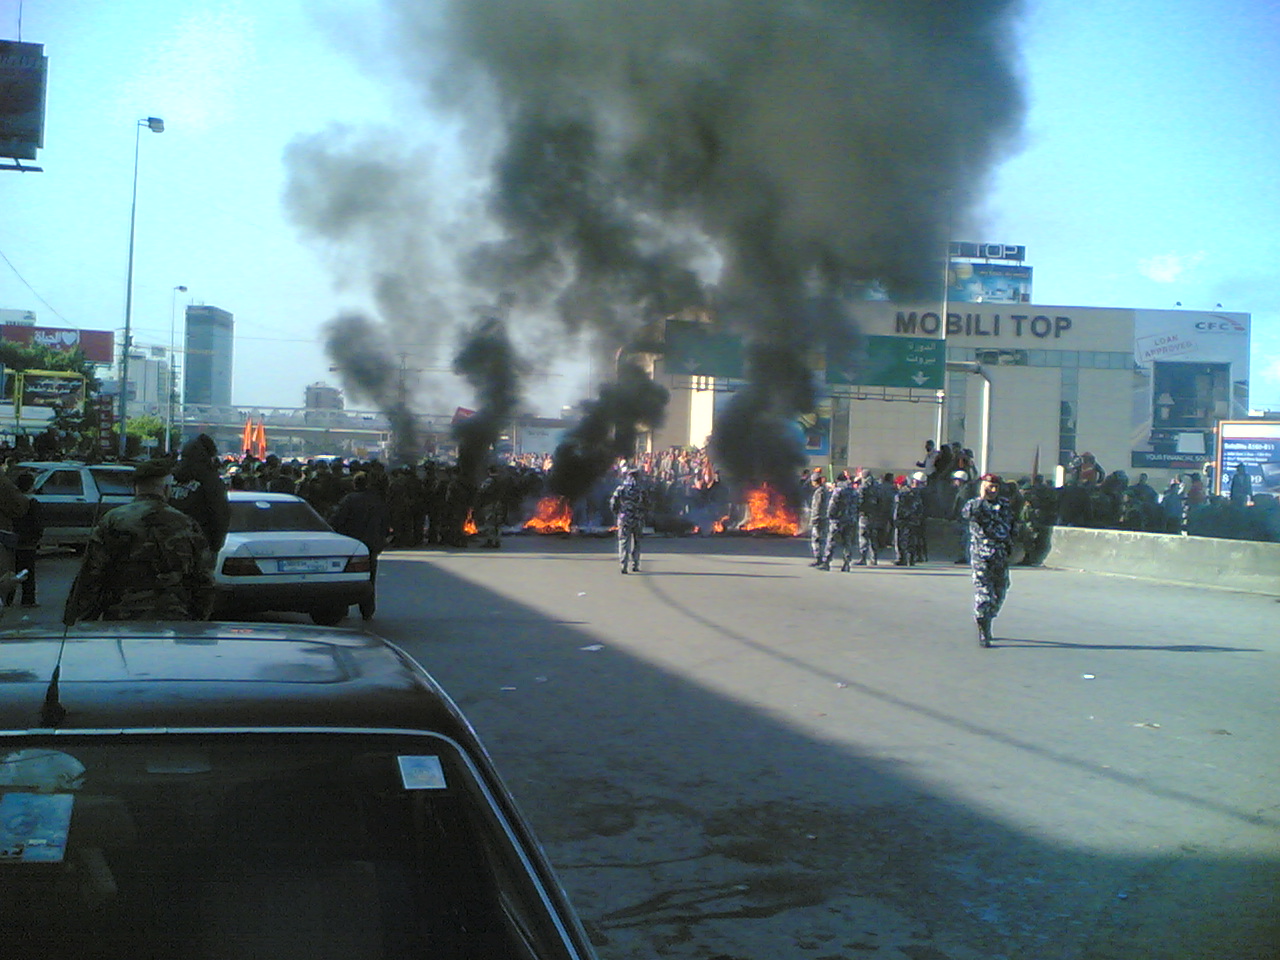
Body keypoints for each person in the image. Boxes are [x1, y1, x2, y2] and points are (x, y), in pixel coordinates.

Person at [63, 459, 215, 624]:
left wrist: (78, 623)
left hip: (122, 621)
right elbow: (204, 579)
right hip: (173, 620)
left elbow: (91, 576)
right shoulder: (186, 524)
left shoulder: (113, 521)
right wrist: (197, 620)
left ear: (135, 487)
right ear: (166, 489)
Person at [961, 473, 1017, 648]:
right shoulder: (975, 505)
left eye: (995, 487)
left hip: (1000, 555)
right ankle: (983, 626)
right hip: (981, 556)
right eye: (989, 486)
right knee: (985, 592)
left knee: (1001, 591)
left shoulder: (1004, 505)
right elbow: (966, 514)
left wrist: (1010, 544)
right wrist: (982, 497)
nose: (993, 490)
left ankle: (988, 618)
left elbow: (1011, 526)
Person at [330, 471, 392, 619]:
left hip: (351, 544)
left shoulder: (349, 500)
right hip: (371, 544)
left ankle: (342, 608)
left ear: (354, 484)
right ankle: (367, 610)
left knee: (345, 576)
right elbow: (385, 522)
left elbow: (337, 521)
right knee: (369, 577)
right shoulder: (377, 500)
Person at [170, 433, 230, 558]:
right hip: (199, 546)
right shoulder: (211, 481)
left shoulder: (170, 478)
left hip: (168, 545)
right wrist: (215, 546)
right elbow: (219, 514)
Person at [8, 472, 41, 607]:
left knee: (11, 571)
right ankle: (28, 599)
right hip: (28, 544)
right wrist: (36, 538)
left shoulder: (12, 501)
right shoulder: (32, 502)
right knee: (27, 572)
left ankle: (8, 598)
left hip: (12, 542)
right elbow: (37, 524)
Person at [610, 467, 649, 574]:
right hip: (638, 518)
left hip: (624, 517)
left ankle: (624, 564)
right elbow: (648, 504)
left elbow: (613, 502)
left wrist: (617, 512)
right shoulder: (641, 490)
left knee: (623, 541)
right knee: (637, 541)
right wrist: (643, 513)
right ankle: (635, 564)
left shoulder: (621, 488)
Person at [822, 473, 859, 571]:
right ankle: (846, 563)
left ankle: (826, 562)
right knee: (847, 542)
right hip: (850, 520)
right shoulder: (854, 491)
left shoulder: (838, 490)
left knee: (831, 541)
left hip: (838, 520)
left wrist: (830, 515)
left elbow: (833, 504)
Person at [807, 471, 833, 567]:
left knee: (816, 539)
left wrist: (814, 518)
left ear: (815, 482)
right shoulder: (825, 490)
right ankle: (822, 558)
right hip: (824, 518)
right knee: (823, 538)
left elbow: (817, 506)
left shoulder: (819, 492)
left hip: (819, 518)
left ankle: (819, 558)